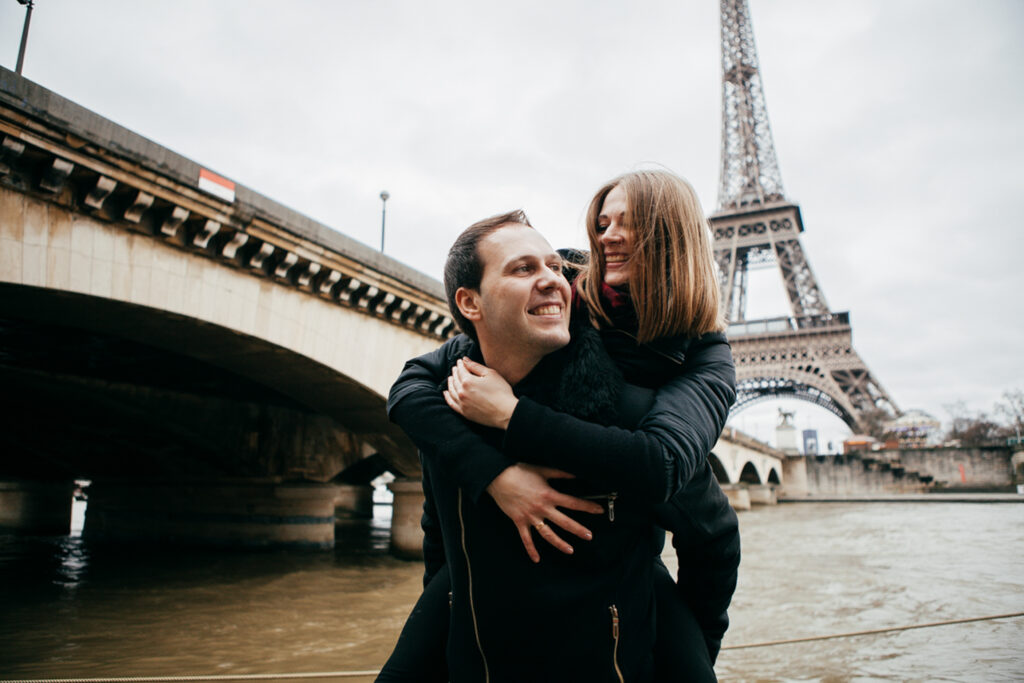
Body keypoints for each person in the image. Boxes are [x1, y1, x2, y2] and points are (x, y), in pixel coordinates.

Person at [379, 171, 739, 681]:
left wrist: (690, 651)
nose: (607, 236)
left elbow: (667, 473)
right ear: (470, 303)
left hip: (620, 596)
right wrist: (495, 475)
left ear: (672, 239)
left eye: (630, 225)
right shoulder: (546, 311)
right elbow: (411, 390)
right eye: (602, 222)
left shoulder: (698, 359)